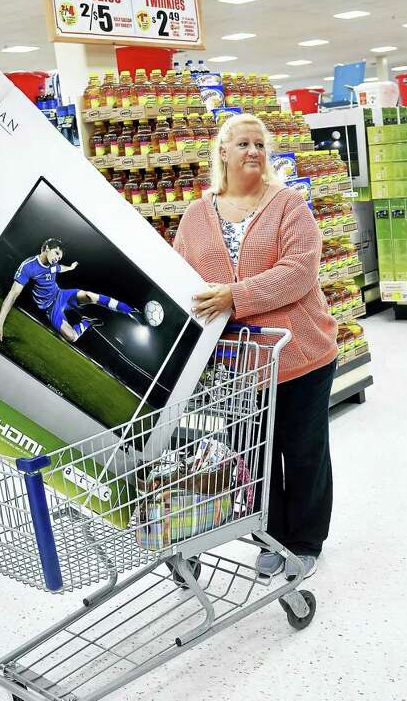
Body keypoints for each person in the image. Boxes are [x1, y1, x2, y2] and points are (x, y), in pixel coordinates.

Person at [173, 113, 338, 580]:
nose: (253, 152)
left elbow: (299, 272)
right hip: (236, 365)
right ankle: (271, 535)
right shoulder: (196, 215)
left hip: (300, 353)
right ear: (222, 152)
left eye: (260, 145)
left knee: (302, 451)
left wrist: (235, 296)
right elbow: (182, 275)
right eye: (243, 143)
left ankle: (304, 541)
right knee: (253, 453)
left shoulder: (289, 205)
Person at [0, 238, 138, 344]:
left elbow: (60, 268)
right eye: (56, 253)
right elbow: (13, 294)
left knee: (90, 295)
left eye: (59, 257)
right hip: (50, 308)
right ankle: (86, 323)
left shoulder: (53, 265)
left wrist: (71, 268)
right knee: (72, 337)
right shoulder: (29, 266)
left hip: (61, 295)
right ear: (46, 248)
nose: (57, 258)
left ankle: (130, 311)